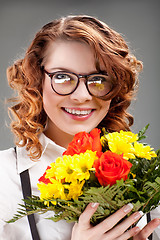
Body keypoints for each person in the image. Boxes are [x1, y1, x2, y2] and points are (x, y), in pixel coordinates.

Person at [0, 15, 159, 240]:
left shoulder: (149, 180)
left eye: (98, 79)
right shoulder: (3, 179)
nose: (81, 96)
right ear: (37, 80)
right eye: (63, 76)